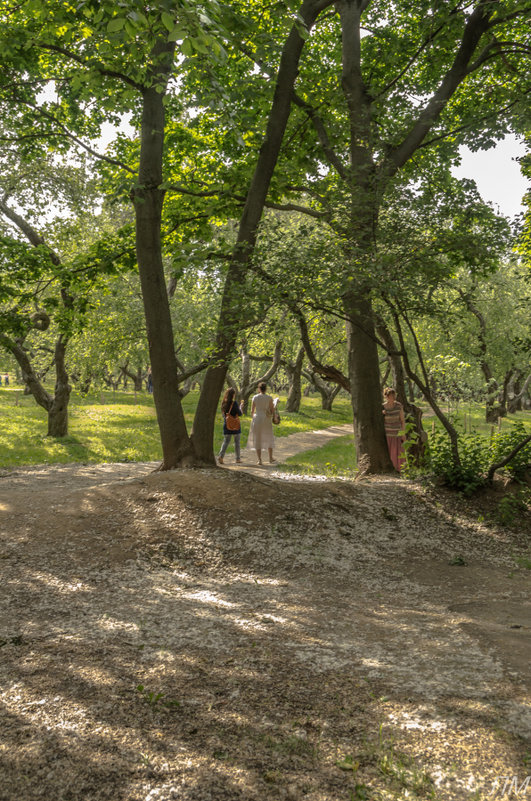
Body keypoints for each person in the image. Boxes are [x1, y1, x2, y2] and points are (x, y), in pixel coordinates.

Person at [249, 381, 275, 465]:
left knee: (258, 438)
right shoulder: (269, 398)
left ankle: (259, 460)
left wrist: (253, 418)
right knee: (269, 436)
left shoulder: (255, 397)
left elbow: (252, 411)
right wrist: (274, 415)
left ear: (259, 389)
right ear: (266, 389)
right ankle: (270, 458)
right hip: (266, 419)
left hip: (257, 418)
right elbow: (272, 409)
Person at [382, 387, 406, 471]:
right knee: (390, 453)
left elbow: (402, 421)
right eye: (389, 396)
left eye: (393, 396)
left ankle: (400, 470)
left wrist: (403, 434)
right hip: (387, 434)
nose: (391, 398)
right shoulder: (382, 407)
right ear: (385, 396)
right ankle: (390, 470)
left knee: (398, 453)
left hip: (397, 434)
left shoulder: (398, 406)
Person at [218, 388, 243, 465]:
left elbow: (223, 415)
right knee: (237, 442)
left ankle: (221, 456)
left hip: (227, 424)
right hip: (235, 425)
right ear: (233, 395)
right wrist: (241, 407)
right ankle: (237, 459)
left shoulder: (223, 403)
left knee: (226, 441)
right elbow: (240, 414)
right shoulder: (234, 403)